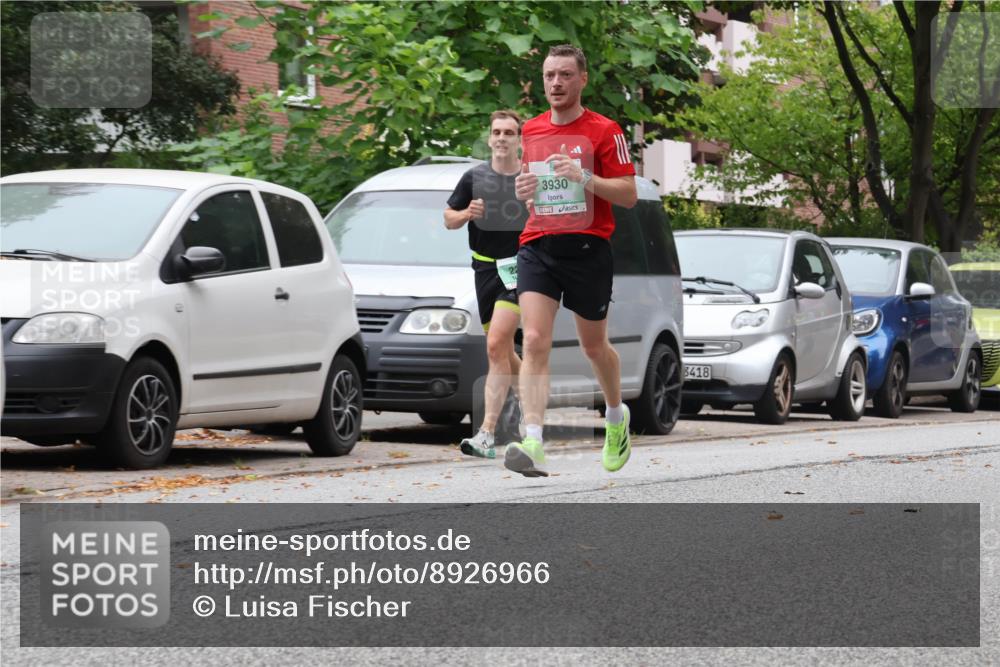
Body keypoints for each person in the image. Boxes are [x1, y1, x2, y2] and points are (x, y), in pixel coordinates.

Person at [507, 44, 638, 477]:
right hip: (538, 243)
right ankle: (533, 440)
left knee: (593, 347)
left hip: (588, 248)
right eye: (549, 76)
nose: (556, 83)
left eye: (564, 75)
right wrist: (523, 189)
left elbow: (628, 195)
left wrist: (581, 177)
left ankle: (617, 418)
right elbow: (528, 186)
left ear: (582, 79)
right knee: (536, 340)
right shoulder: (531, 130)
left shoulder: (605, 130)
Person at [444, 110, 529, 459]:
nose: (502, 138)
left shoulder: (528, 177)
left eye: (509, 132)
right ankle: (534, 398)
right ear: (490, 137)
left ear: (519, 140)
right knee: (505, 352)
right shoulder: (474, 177)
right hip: (483, 271)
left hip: (520, 269)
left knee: (495, 346)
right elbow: (448, 218)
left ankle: (486, 433)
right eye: (497, 132)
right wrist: (466, 214)